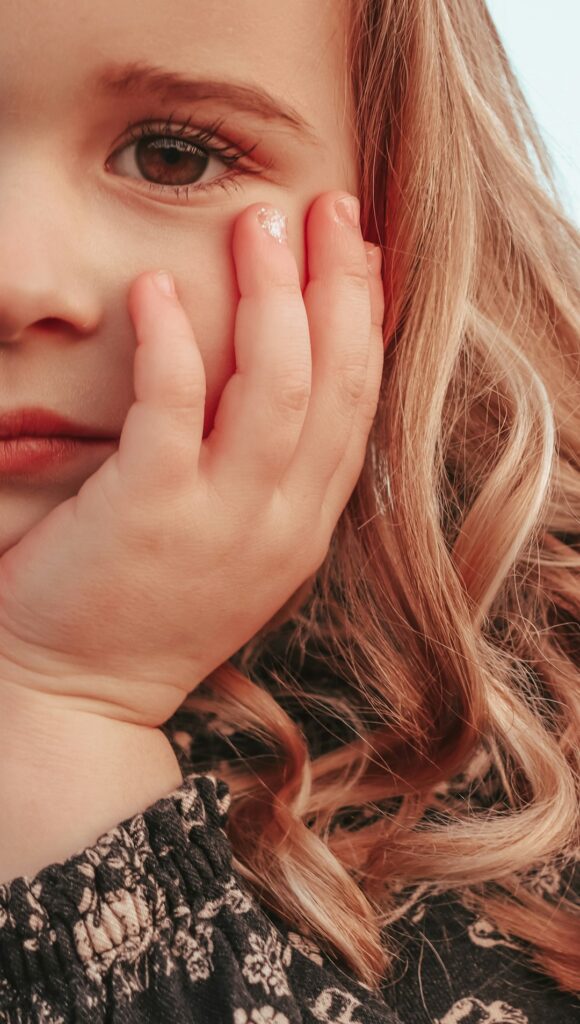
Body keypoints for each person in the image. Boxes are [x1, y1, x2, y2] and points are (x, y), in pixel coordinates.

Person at [0, 0, 578, 1021]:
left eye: (172, 157)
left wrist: (64, 719)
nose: (15, 280)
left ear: (398, 214)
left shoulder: (539, 761)